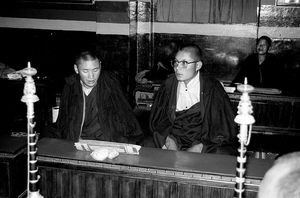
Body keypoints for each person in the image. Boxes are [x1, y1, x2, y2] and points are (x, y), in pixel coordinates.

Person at [148, 44, 237, 154]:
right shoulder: (169, 85)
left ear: (198, 65)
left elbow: (222, 127)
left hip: (203, 140)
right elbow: (158, 120)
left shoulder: (211, 87)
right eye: (176, 62)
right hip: (174, 138)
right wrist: (167, 139)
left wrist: (202, 147)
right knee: (147, 146)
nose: (177, 68)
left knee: (222, 153)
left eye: (184, 63)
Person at [54, 51, 143, 144]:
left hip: (106, 141)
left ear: (100, 66)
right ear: (76, 69)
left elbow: (125, 115)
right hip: (78, 141)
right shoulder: (70, 86)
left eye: (95, 70)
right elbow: (63, 121)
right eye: (85, 71)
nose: (91, 76)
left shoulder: (110, 83)